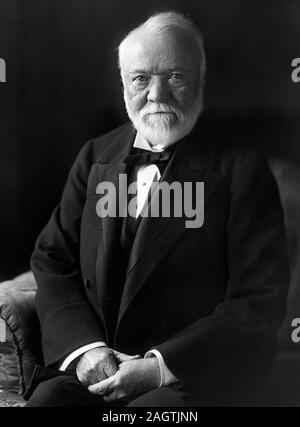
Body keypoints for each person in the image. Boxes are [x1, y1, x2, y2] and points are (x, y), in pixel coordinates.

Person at [26, 11, 290, 407]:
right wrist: (87, 351)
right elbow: (51, 259)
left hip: (190, 377)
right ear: (123, 86)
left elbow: (259, 301)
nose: (156, 94)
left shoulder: (241, 169)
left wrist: (157, 367)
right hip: (100, 368)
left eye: (175, 77)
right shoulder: (96, 156)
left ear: (201, 80)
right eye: (140, 79)